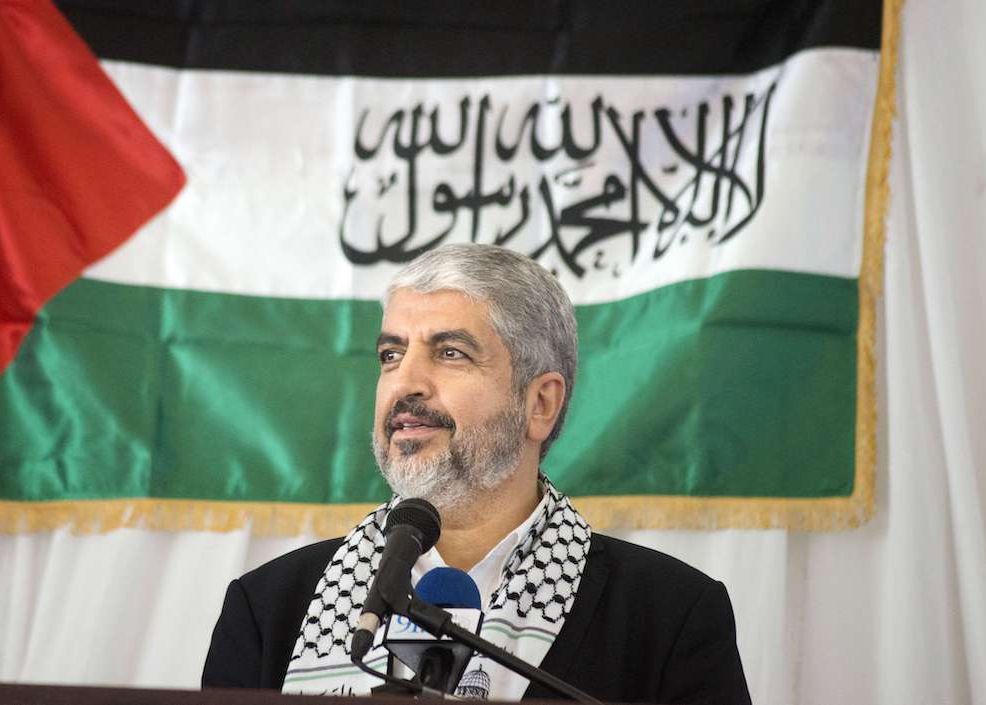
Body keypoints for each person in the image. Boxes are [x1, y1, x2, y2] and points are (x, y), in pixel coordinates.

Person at [202, 243, 751, 704]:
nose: (405, 384)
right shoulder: (268, 607)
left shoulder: (670, 616)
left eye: (451, 353)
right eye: (391, 355)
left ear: (540, 404)